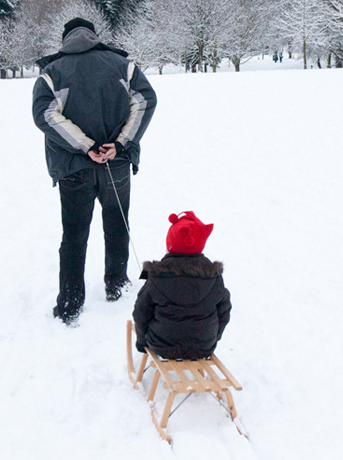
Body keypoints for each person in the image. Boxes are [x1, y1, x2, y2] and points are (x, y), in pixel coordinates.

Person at [32, 18, 157, 325]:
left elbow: (44, 115)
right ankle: (117, 285)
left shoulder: (52, 73)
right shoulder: (122, 65)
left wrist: (85, 147)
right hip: (116, 163)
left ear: (65, 40)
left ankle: (71, 303)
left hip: (75, 168)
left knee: (74, 234)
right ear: (93, 36)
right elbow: (145, 100)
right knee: (117, 224)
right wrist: (120, 144)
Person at [133, 212, 231, 360]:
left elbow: (141, 312)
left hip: (163, 345)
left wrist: (142, 341)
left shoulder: (157, 275)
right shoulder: (213, 276)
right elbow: (224, 311)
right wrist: (213, 337)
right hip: (203, 346)